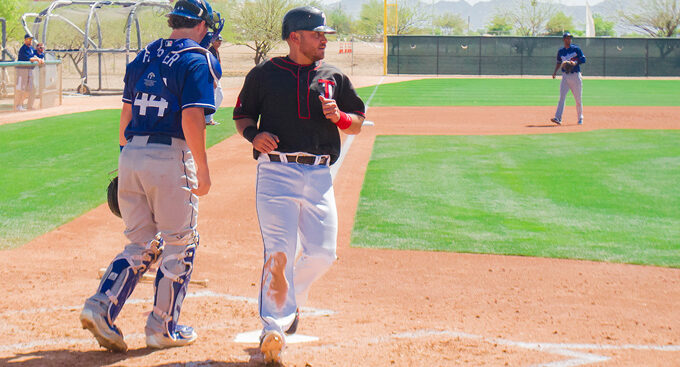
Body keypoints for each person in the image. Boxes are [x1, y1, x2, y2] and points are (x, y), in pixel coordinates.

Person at [79, 0, 223, 352]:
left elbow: (125, 116)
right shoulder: (197, 58)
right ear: (202, 25)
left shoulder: (144, 55)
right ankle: (163, 327)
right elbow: (191, 118)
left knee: (140, 243)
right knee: (180, 242)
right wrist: (202, 169)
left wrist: (126, 160)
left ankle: (100, 306)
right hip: (170, 155)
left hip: (132, 153)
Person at [233, 6, 365, 365]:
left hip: (319, 175)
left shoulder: (333, 75)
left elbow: (357, 122)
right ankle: (272, 327)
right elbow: (242, 115)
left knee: (322, 253)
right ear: (295, 37)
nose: (324, 40)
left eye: (325, 35)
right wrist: (254, 134)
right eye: (317, 34)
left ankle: (288, 310)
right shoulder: (265, 74)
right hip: (276, 174)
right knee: (278, 251)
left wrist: (339, 117)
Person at [551, 31, 586, 126]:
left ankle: (580, 118)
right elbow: (559, 62)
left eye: (570, 38)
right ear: (564, 39)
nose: (569, 39)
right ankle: (558, 118)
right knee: (561, 98)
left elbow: (583, 59)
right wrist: (555, 72)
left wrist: (575, 63)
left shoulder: (576, 49)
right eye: (567, 38)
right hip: (565, 77)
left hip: (575, 76)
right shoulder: (561, 51)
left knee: (578, 99)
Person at [14, 34, 44, 111]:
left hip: (29, 71)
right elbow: (29, 58)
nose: (30, 41)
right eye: (28, 39)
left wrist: (39, 59)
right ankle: (18, 105)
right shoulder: (23, 48)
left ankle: (20, 104)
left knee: (29, 89)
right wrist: (37, 59)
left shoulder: (30, 48)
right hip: (22, 71)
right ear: (25, 40)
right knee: (21, 89)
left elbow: (34, 55)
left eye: (31, 39)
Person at [205, 34, 223, 126]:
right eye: (217, 40)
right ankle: (207, 119)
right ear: (212, 41)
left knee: (219, 96)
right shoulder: (210, 52)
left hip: (216, 78)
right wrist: (212, 80)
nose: (219, 42)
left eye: (220, 41)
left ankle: (209, 118)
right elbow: (209, 67)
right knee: (214, 97)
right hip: (212, 78)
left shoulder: (216, 51)